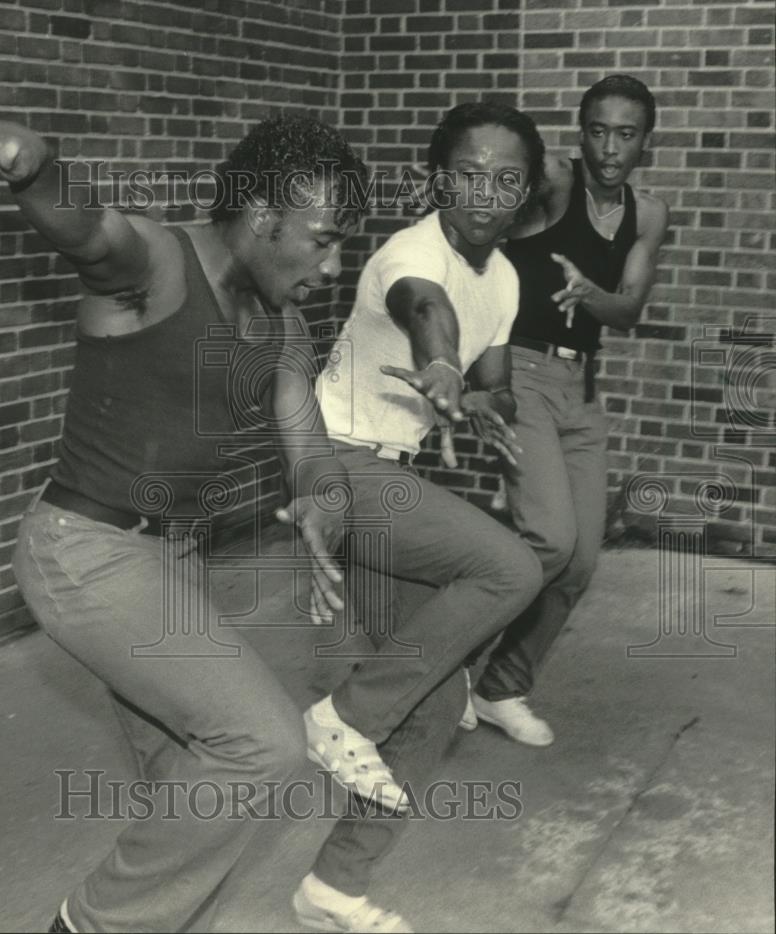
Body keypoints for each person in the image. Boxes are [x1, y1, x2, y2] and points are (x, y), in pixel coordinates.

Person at [0, 60, 384, 933]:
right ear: (264, 219)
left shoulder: (280, 322)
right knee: (262, 744)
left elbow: (307, 443)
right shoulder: (158, 265)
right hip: (87, 551)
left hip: (168, 563)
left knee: (194, 784)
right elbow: (90, 232)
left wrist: (321, 498)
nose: (333, 266)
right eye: (325, 239)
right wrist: (29, 167)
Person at [293, 102, 547, 933]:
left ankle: (332, 887)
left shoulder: (505, 278)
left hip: (388, 471)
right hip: (336, 461)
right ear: (439, 180)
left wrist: (475, 398)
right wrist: (440, 362)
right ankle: (345, 715)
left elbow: (498, 377)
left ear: (526, 191)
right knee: (510, 567)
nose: (487, 191)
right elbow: (425, 309)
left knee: (436, 705)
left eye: (507, 179)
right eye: (469, 173)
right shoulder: (410, 252)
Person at [462, 75, 670, 746]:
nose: (611, 148)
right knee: (549, 537)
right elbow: (477, 209)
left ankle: (501, 687)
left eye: (626, 134)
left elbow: (629, 310)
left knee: (580, 560)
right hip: (519, 369)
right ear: (581, 135)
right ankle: (447, 659)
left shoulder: (647, 213)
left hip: (581, 389)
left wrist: (589, 294)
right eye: (599, 131)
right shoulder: (554, 179)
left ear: (645, 142)